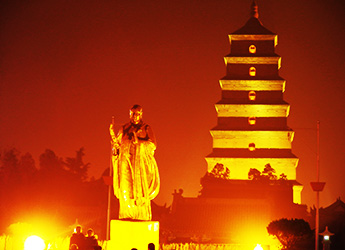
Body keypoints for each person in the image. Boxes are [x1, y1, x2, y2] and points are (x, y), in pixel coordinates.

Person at [109, 104, 160, 221]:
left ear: (141, 115)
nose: (134, 116)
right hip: (125, 163)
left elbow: (152, 145)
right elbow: (117, 145)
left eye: (137, 114)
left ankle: (139, 214)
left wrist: (139, 142)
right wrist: (113, 137)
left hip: (139, 166)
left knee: (139, 192)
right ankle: (126, 214)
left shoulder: (146, 128)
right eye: (132, 114)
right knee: (126, 190)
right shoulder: (124, 128)